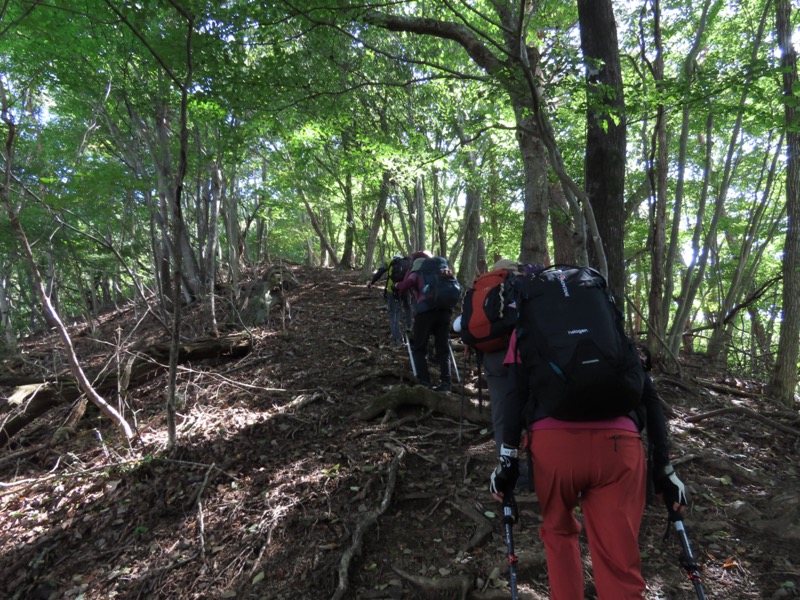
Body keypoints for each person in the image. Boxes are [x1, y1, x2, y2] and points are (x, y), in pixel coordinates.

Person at [489, 331, 688, 599]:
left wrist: (507, 460)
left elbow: (513, 394)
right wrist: (663, 468)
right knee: (618, 557)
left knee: (559, 535)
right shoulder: (606, 317)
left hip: (554, 446)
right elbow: (648, 395)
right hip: (619, 446)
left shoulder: (530, 319)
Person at [395, 251, 453, 392]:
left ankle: (424, 382)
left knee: (420, 347)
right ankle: (446, 383)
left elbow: (404, 286)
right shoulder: (440, 271)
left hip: (425, 313)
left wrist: (396, 285)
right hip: (444, 312)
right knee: (443, 348)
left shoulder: (416, 272)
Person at [368, 254, 412, 347]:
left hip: (392, 290)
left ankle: (396, 339)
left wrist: (372, 282)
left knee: (394, 314)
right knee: (407, 307)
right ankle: (409, 328)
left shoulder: (390, 262)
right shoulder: (408, 263)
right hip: (405, 289)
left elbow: (380, 272)